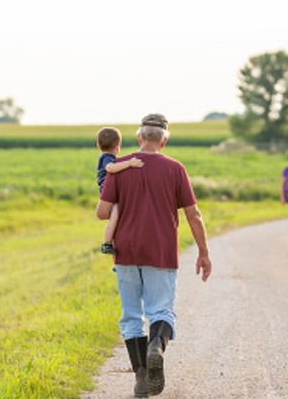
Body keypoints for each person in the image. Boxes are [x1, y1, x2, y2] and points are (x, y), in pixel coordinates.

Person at [96, 113, 212, 398]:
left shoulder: (120, 166)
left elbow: (101, 212)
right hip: (161, 250)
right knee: (161, 310)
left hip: (125, 251)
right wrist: (203, 253)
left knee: (131, 316)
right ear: (164, 140)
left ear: (139, 138)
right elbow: (193, 214)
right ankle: (155, 347)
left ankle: (140, 377)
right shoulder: (175, 169)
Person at [95, 126, 143, 254]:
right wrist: (129, 163)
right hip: (109, 194)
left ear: (98, 145)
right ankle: (106, 243)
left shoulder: (109, 157)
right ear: (118, 146)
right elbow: (110, 168)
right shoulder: (107, 158)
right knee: (115, 217)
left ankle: (119, 253)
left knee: (120, 221)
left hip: (113, 193)